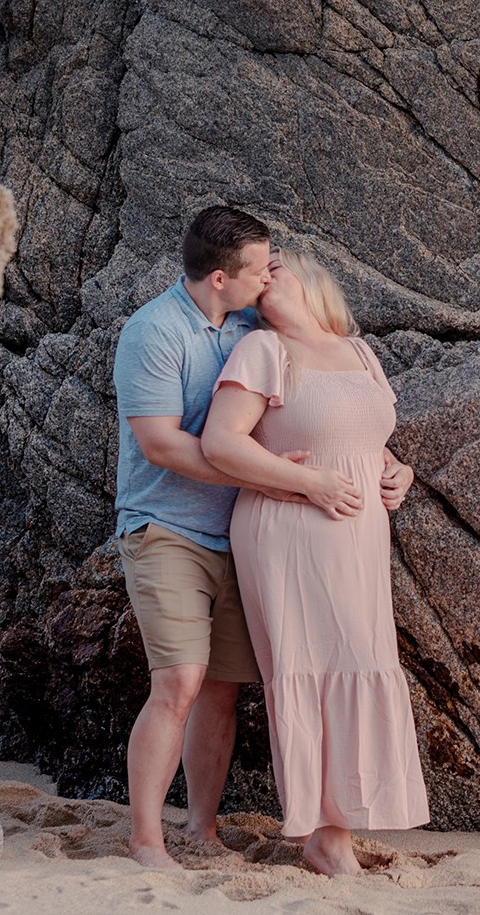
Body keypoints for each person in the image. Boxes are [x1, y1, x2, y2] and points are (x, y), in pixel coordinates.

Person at [111, 205, 363, 869]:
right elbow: (161, 443)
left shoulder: (252, 325)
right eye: (259, 268)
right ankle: (144, 838)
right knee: (180, 679)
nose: (269, 275)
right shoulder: (153, 332)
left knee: (220, 686)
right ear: (220, 277)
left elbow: (327, 397)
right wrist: (282, 481)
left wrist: (389, 464)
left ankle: (200, 827)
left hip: (244, 537)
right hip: (166, 527)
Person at [202, 245, 430, 876]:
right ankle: (326, 836)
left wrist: (400, 473)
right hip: (290, 527)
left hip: (358, 531)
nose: (270, 270)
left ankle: (342, 825)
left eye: (281, 262)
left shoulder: (359, 352)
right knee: (309, 664)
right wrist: (310, 485)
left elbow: (371, 440)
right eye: (260, 268)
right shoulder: (263, 351)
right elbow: (221, 444)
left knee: (361, 657)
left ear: (314, 281)